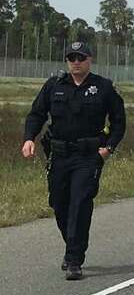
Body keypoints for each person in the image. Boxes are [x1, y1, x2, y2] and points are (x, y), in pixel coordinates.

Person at [21, 41, 126, 280]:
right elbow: (36, 114)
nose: (76, 62)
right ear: (67, 61)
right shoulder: (54, 85)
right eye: (71, 58)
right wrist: (29, 138)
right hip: (59, 156)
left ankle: (74, 259)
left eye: (80, 57)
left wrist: (108, 148)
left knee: (80, 203)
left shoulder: (103, 87)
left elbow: (119, 121)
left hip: (88, 156)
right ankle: (72, 244)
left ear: (89, 59)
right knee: (59, 204)